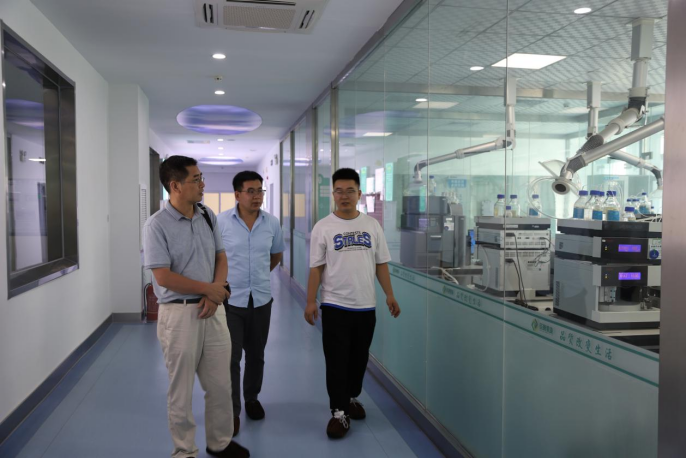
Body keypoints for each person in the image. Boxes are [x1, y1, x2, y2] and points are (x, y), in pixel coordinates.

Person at [143, 156, 249, 458]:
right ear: (175, 186)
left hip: (213, 311)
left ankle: (220, 443)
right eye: (196, 179)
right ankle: (184, 451)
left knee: (220, 384)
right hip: (179, 315)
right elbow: (163, 277)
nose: (203, 184)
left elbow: (221, 257)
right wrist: (209, 289)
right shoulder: (156, 225)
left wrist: (214, 294)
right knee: (181, 388)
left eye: (201, 177)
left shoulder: (206, 215)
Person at [304, 167, 401, 439]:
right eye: (339, 191)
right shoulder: (323, 227)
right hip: (335, 305)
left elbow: (381, 263)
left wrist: (389, 294)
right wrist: (311, 301)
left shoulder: (372, 225)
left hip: (365, 305)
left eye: (350, 191)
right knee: (337, 360)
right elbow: (316, 268)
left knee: (359, 359)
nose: (344, 196)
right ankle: (339, 412)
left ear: (359, 193)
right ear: (333, 194)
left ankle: (350, 397)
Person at [217, 171, 284, 435]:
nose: (257, 196)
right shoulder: (220, 222)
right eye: (251, 191)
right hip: (231, 301)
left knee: (256, 355)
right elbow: (215, 258)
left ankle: (252, 399)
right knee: (231, 358)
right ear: (237, 194)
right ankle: (232, 411)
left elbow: (275, 255)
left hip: (261, 300)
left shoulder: (272, 223)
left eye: (260, 191)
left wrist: (257, 276)